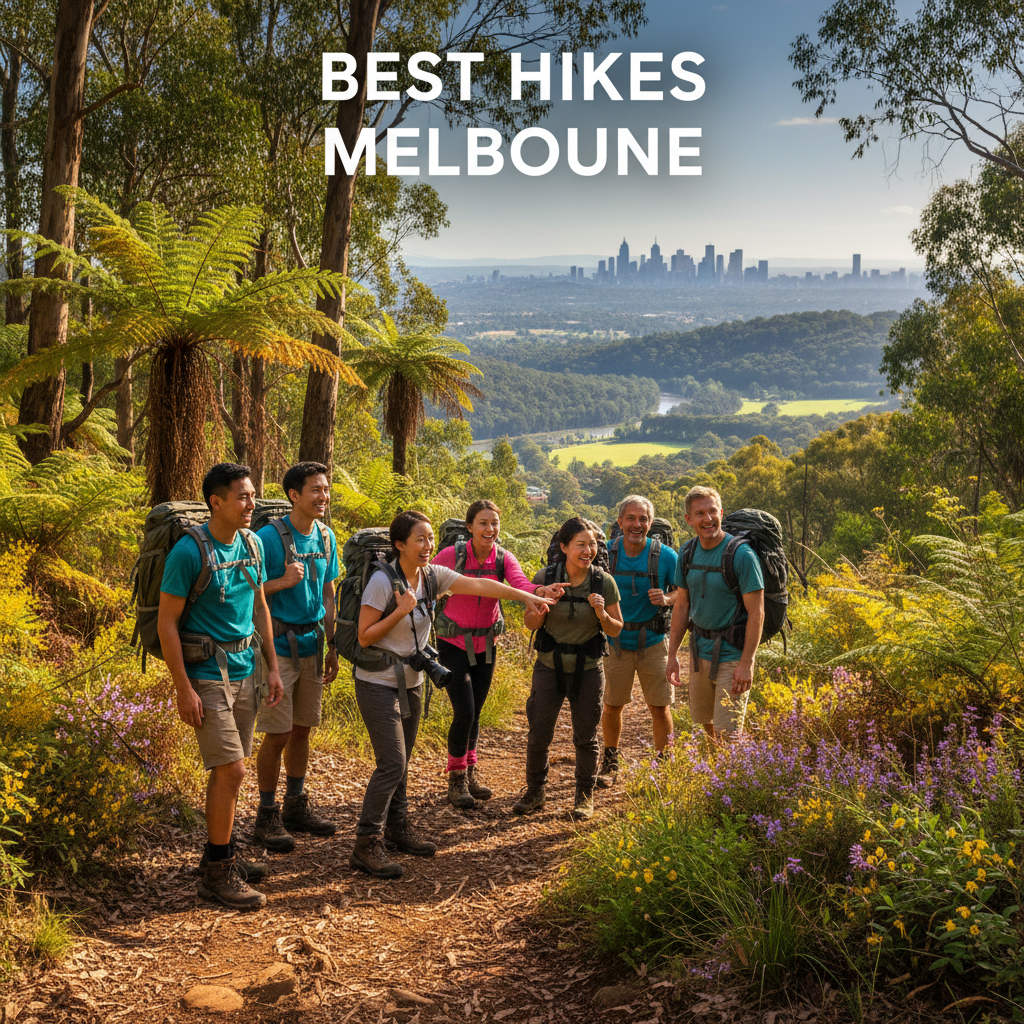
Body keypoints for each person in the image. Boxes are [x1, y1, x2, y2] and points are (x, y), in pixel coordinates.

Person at [351, 510, 556, 880]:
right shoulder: (383, 583)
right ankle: (366, 843)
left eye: (431, 538)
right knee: (392, 763)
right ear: (400, 545)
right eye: (420, 539)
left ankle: (397, 830)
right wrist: (400, 611)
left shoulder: (433, 576)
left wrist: (526, 598)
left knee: (402, 762)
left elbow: (482, 586)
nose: (429, 545)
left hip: (411, 681)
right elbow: (365, 636)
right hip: (376, 682)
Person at [158, 463, 284, 910]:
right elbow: (167, 622)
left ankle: (222, 849)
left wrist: (271, 666)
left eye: (253, 495)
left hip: (246, 668)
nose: (253, 504)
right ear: (217, 502)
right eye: (243, 497)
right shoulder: (189, 553)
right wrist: (182, 688)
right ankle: (217, 872)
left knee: (231, 769)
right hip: (207, 673)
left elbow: (261, 606)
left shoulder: (251, 543)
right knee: (232, 769)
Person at [432, 499, 564, 810]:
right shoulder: (452, 555)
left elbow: (520, 584)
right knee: (464, 710)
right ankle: (456, 778)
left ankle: (470, 772)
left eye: (494, 523)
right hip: (452, 642)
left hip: (487, 643)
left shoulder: (504, 558)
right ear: (469, 527)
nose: (490, 529)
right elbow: (427, 577)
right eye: (483, 523)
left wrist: (540, 592)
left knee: (476, 711)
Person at [252, 462, 339, 853]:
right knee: (278, 732)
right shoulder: (269, 538)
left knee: (303, 727)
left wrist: (333, 645)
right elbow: (249, 593)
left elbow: (329, 592)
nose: (323, 496)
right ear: (294, 495)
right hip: (278, 647)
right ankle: (266, 812)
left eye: (325, 489)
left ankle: (295, 804)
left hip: (314, 645)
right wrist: (282, 582)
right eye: (315, 490)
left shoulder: (326, 536)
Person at [515, 517, 623, 822]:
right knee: (539, 733)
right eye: (580, 545)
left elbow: (616, 630)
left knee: (586, 736)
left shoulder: (604, 582)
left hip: (588, 669)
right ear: (564, 547)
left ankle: (584, 797)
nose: (587, 550)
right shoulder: (546, 577)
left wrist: (601, 612)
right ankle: (535, 791)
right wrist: (542, 604)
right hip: (549, 666)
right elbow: (530, 623)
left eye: (591, 545)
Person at [666, 486, 765, 740]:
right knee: (706, 725)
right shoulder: (687, 553)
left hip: (732, 654)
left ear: (721, 512)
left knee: (728, 734)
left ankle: (732, 779)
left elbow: (757, 612)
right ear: (689, 520)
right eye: (700, 514)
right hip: (700, 653)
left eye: (712, 511)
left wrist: (747, 663)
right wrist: (673, 654)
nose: (708, 519)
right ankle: (717, 778)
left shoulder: (742, 555)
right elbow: (681, 605)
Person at [597, 496, 678, 787]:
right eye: (630, 518)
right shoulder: (605, 554)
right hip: (614, 642)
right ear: (619, 523)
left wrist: (667, 598)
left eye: (643, 519)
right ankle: (610, 759)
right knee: (612, 705)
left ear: (650, 523)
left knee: (660, 706)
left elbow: (684, 592)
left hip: (654, 640)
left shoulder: (666, 556)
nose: (637, 524)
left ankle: (663, 763)